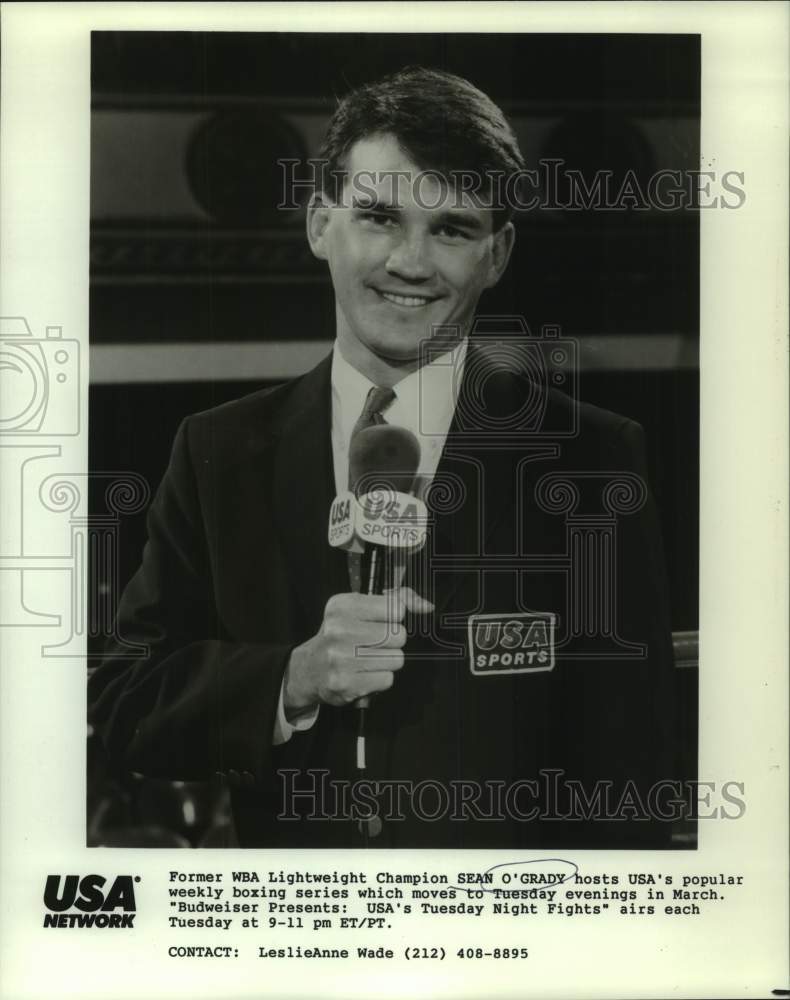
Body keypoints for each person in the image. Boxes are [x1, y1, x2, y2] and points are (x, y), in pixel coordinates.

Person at [89, 67, 675, 849]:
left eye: (453, 229)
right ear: (318, 224)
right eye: (377, 217)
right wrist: (291, 677)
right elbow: (124, 704)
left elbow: (629, 769)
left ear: (497, 255)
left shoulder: (593, 458)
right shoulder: (217, 452)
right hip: (299, 945)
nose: (411, 261)